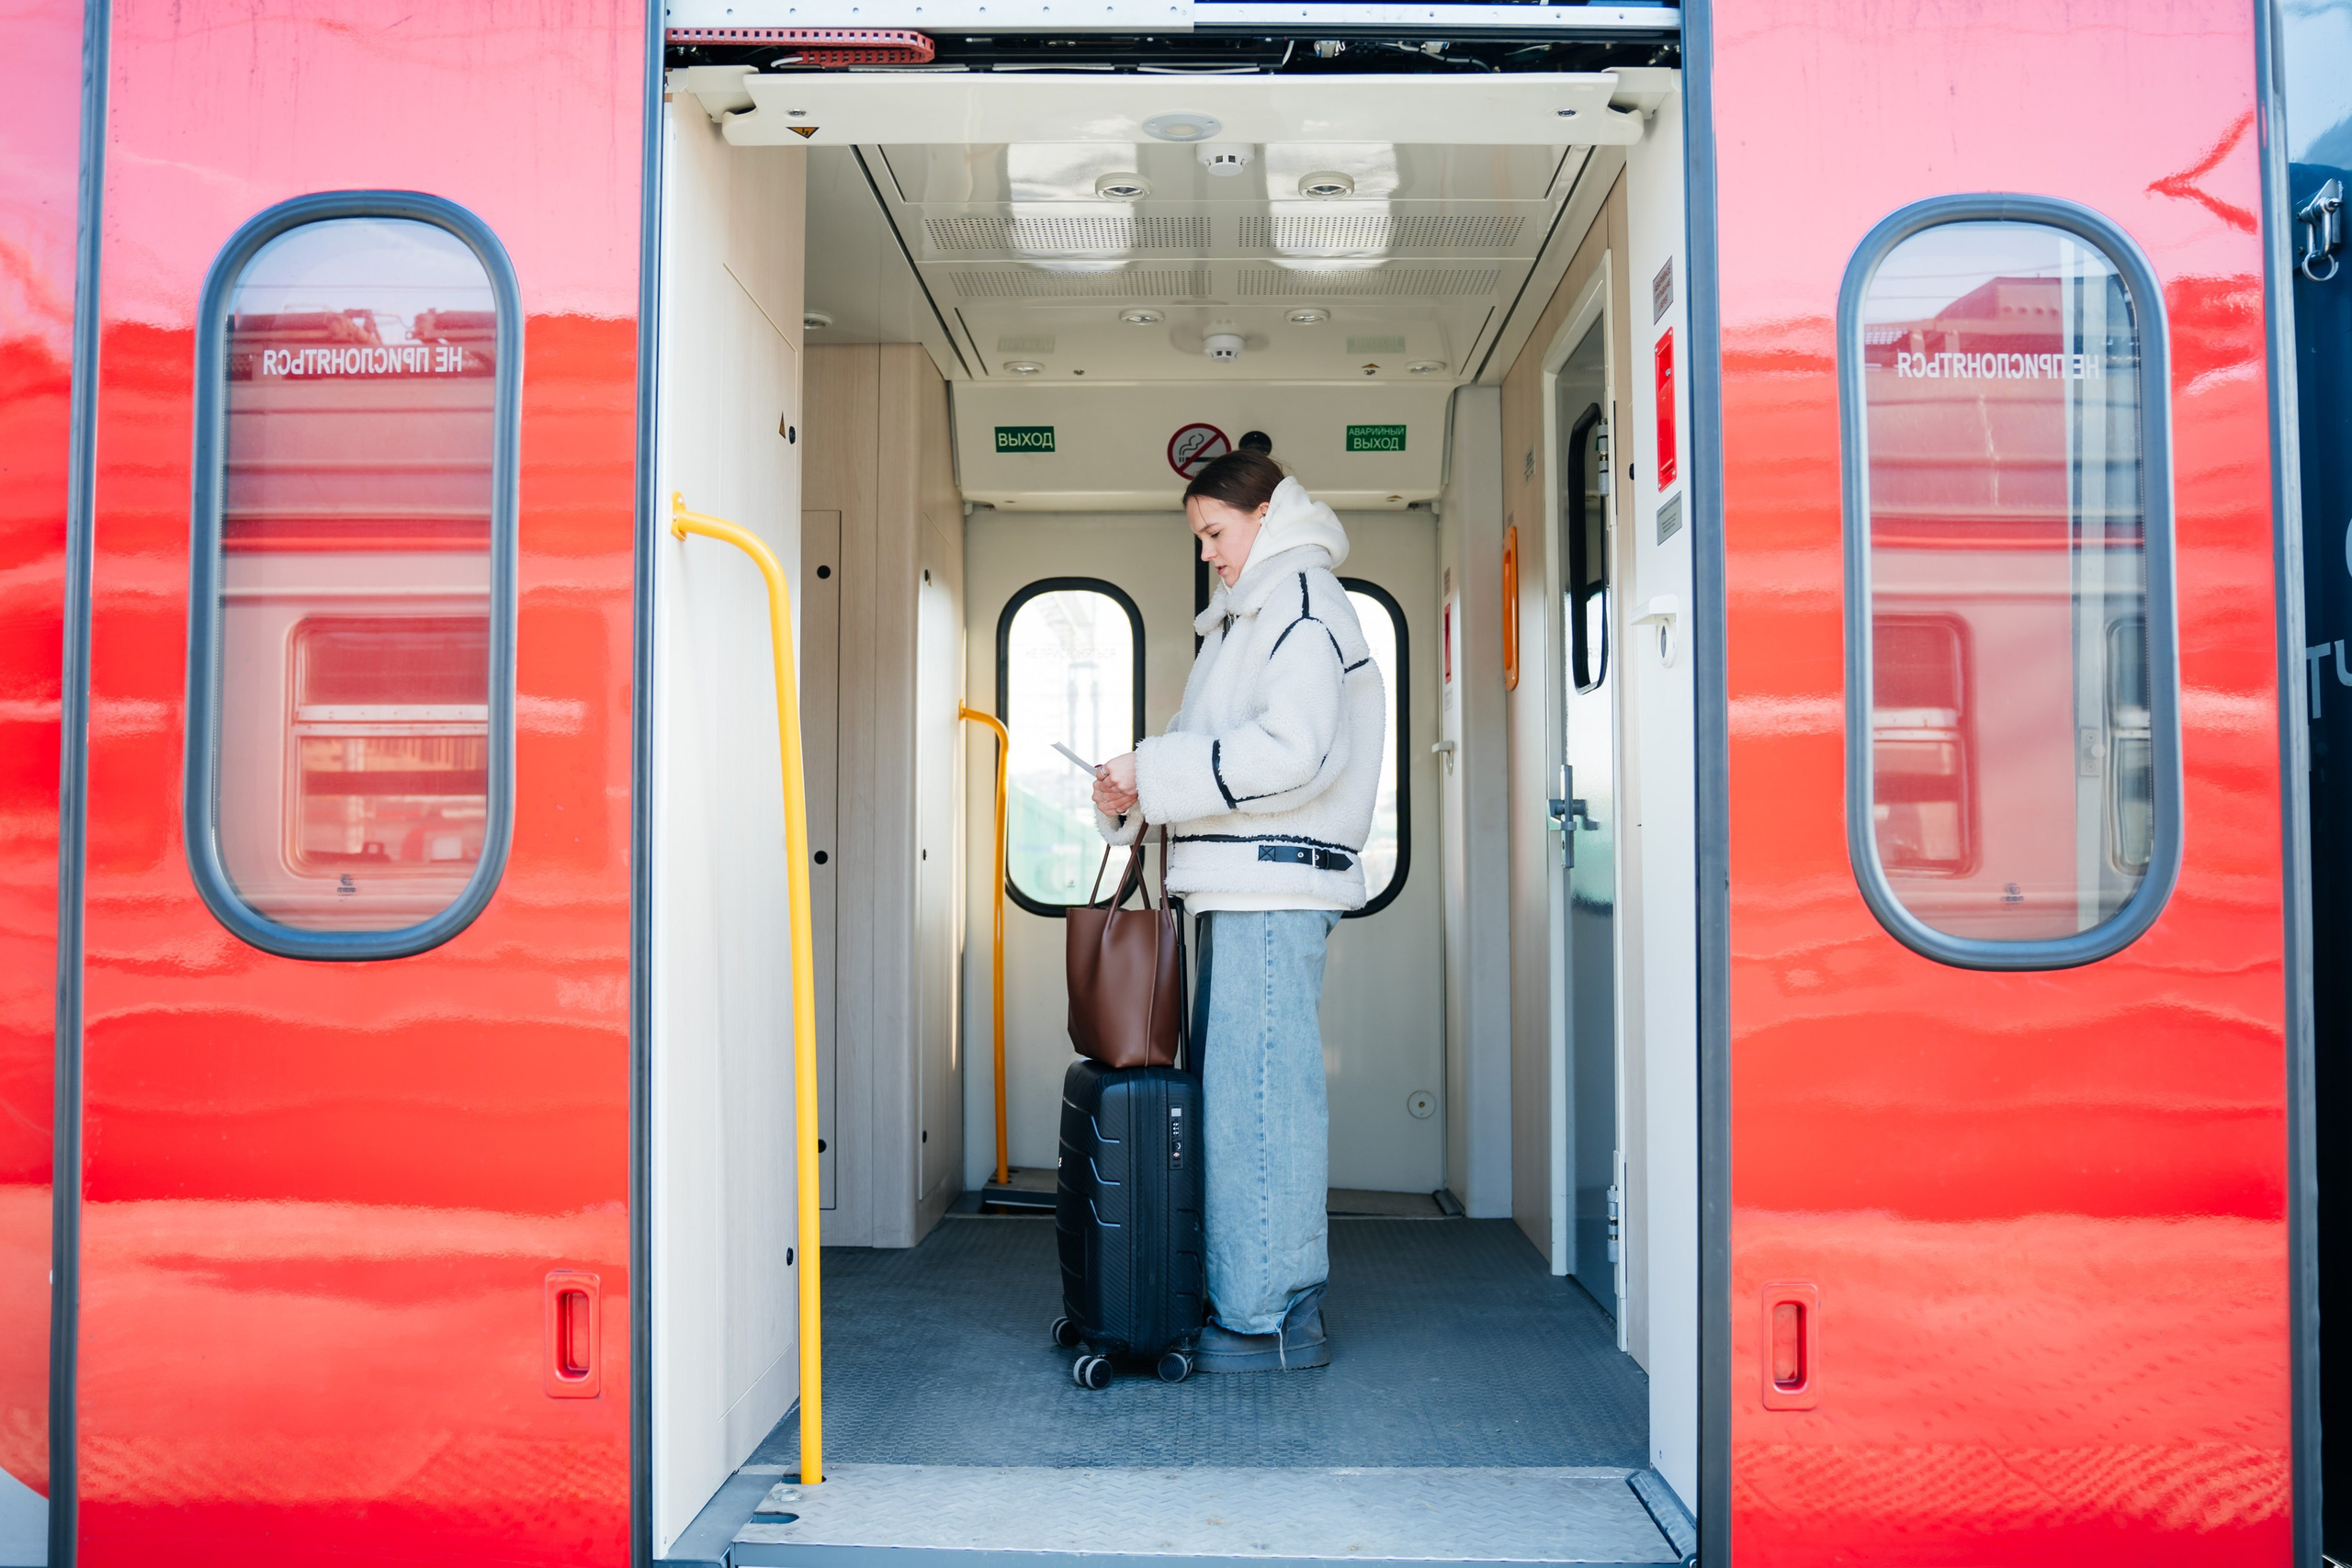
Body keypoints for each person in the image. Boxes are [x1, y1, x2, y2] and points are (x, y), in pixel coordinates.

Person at [1090, 451, 1385, 1371]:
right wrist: (1132, 792)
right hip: (1242, 888)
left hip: (1270, 890)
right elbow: (1212, 756)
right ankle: (1259, 1302)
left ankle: (1265, 1321)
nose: (1210, 555)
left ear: (1267, 515)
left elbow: (1292, 754)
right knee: (1250, 1105)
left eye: (1217, 534)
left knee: (1258, 1109)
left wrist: (1158, 772)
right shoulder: (1252, 615)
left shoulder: (1297, 606)